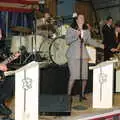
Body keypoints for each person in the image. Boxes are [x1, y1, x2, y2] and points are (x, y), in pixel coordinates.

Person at [66, 13, 104, 101]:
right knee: (74, 76)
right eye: (80, 17)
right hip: (72, 55)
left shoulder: (86, 30)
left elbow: (90, 41)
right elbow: (67, 41)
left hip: (83, 55)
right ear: (76, 20)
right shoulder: (71, 29)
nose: (82, 18)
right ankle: (68, 96)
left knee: (84, 76)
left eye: (83, 17)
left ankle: (82, 94)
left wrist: (101, 45)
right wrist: (76, 34)